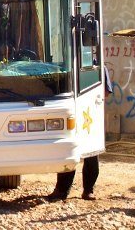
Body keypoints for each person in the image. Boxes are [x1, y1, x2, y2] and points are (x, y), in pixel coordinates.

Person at [47, 66, 114, 201]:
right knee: (68, 153)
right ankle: (62, 190)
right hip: (71, 116)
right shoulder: (66, 67)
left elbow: (105, 92)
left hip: (89, 117)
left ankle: (88, 190)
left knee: (91, 154)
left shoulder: (99, 68)